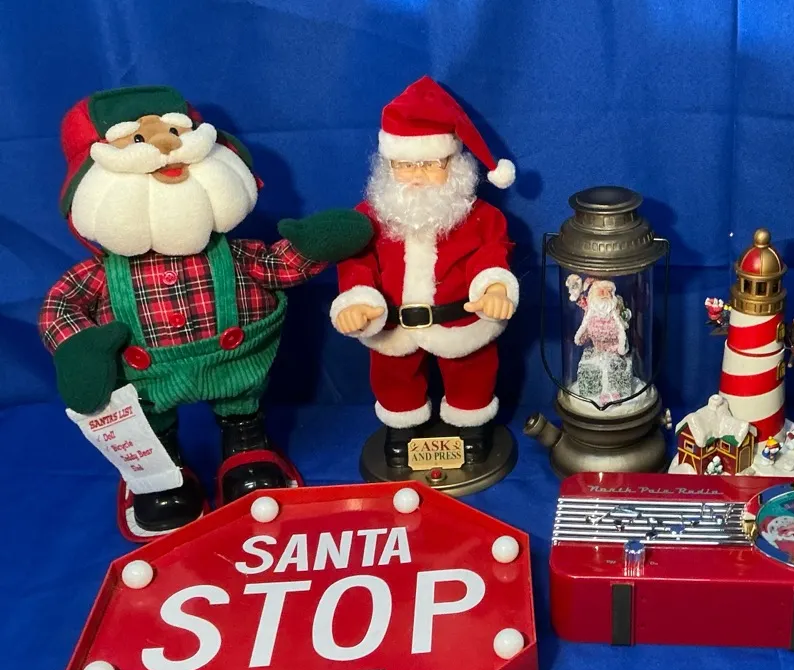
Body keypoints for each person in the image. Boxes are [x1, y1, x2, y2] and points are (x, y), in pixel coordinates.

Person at [39, 85, 370, 532]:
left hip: (233, 366)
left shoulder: (234, 254)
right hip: (146, 380)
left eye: (175, 135)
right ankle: (162, 468)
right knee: (150, 423)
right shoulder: (99, 274)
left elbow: (276, 266)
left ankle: (245, 444)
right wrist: (79, 349)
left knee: (240, 407)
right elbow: (61, 305)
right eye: (140, 142)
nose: (164, 150)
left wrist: (314, 245)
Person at [331, 77, 518, 468]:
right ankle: (402, 428)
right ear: (388, 165)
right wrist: (357, 299)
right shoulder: (368, 217)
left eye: (430, 164)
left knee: (472, 372)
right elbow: (356, 261)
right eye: (404, 165)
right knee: (393, 377)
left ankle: (471, 427)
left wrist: (495, 288)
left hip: (461, 321)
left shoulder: (480, 217)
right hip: (391, 323)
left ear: (455, 163)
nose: (416, 175)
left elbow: (491, 252)